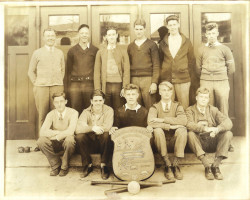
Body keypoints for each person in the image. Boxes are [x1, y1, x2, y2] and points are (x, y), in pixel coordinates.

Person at [196, 22, 235, 152]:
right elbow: (197, 68)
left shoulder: (225, 49)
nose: (211, 36)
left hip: (221, 81)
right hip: (206, 81)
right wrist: (207, 77)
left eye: (214, 33)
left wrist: (220, 76)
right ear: (205, 34)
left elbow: (232, 69)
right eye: (209, 34)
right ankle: (210, 140)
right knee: (208, 109)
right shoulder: (201, 49)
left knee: (223, 109)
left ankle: (227, 140)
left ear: (217, 33)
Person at [186, 87, 233, 180]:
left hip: (213, 142)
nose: (203, 99)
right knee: (190, 134)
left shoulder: (213, 110)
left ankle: (216, 166)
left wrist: (217, 129)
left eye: (206, 97)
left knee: (228, 133)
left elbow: (228, 122)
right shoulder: (190, 110)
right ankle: (207, 166)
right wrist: (205, 128)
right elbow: (189, 124)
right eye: (201, 97)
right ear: (196, 98)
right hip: (199, 143)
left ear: (208, 99)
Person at [28, 28, 65, 138]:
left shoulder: (60, 53)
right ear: (44, 38)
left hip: (57, 87)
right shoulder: (37, 53)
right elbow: (31, 71)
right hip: (42, 88)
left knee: (57, 114)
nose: (50, 38)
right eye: (48, 36)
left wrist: (58, 82)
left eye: (52, 36)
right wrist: (37, 83)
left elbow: (63, 70)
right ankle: (42, 142)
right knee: (43, 115)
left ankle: (55, 141)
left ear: (55, 37)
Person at [148, 81, 187, 180]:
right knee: (157, 130)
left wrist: (162, 120)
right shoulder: (154, 107)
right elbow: (151, 123)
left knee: (182, 130)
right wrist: (170, 126)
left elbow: (183, 121)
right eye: (163, 90)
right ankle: (167, 164)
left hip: (174, 141)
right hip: (161, 142)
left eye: (168, 91)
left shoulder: (178, 105)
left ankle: (175, 164)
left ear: (172, 92)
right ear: (160, 92)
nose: (166, 93)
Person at [37, 92, 78, 176]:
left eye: (61, 101)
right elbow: (42, 132)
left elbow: (71, 131)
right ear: (53, 103)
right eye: (56, 102)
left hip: (68, 142)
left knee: (70, 139)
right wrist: (58, 134)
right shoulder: (51, 114)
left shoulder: (73, 113)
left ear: (66, 101)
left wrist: (55, 136)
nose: (59, 104)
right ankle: (56, 164)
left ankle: (64, 166)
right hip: (56, 142)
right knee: (41, 141)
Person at [75, 90, 114, 180]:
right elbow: (78, 129)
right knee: (80, 137)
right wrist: (92, 128)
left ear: (103, 101)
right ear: (91, 101)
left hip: (104, 143)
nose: (98, 103)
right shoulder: (86, 112)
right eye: (95, 101)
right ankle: (87, 165)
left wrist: (88, 127)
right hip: (90, 144)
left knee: (106, 135)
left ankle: (104, 166)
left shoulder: (109, 110)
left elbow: (107, 126)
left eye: (100, 101)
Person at [159, 15, 195, 109]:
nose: (173, 27)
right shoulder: (163, 43)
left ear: (178, 25)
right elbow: (160, 60)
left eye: (174, 24)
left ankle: (184, 123)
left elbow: (191, 61)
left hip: (183, 79)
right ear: (167, 27)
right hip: (167, 79)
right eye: (170, 25)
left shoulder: (186, 42)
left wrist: (185, 72)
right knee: (168, 106)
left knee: (183, 106)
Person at [94, 26, 130, 112]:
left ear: (117, 35)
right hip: (106, 85)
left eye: (113, 34)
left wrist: (125, 87)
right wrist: (98, 89)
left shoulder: (123, 51)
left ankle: (117, 125)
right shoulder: (101, 52)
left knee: (118, 108)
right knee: (106, 108)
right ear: (105, 37)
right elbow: (97, 72)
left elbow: (126, 70)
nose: (111, 37)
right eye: (109, 35)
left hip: (118, 84)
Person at [127, 19, 160, 110]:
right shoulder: (130, 46)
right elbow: (127, 66)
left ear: (145, 29)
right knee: (135, 106)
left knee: (150, 105)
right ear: (134, 30)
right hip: (134, 79)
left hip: (148, 79)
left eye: (141, 29)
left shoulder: (152, 45)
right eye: (137, 29)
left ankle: (151, 123)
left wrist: (154, 82)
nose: (139, 31)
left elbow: (156, 65)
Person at [67, 24, 99, 114]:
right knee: (75, 109)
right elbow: (68, 71)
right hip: (75, 85)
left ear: (89, 34)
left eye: (86, 33)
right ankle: (76, 128)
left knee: (90, 109)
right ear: (79, 34)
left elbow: (97, 70)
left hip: (89, 84)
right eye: (82, 33)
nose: (84, 35)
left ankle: (89, 128)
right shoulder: (72, 51)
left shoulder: (95, 50)